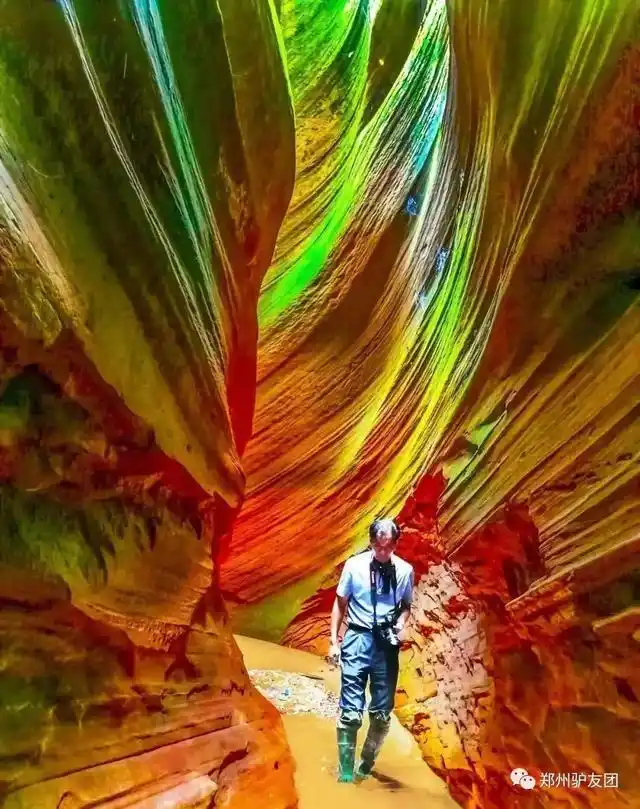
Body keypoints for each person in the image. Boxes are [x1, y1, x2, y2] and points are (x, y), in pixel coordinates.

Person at [328, 517, 414, 783]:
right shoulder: (354, 566)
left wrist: (400, 624)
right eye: (379, 547)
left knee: (380, 714)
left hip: (386, 646)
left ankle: (365, 767)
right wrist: (334, 641)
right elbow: (340, 603)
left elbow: (407, 605)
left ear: (396, 545)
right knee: (351, 713)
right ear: (371, 542)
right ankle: (344, 773)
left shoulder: (404, 571)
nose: (383, 552)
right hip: (357, 638)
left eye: (389, 547)